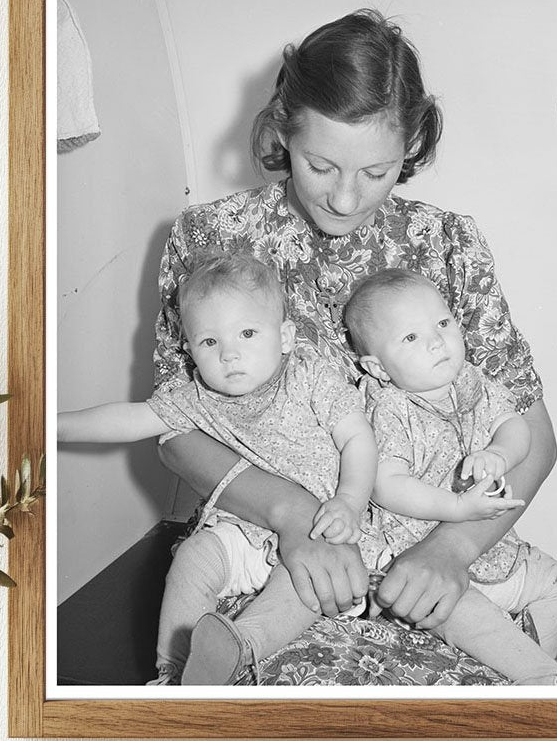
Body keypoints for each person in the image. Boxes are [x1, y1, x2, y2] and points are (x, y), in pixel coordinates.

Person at [154, 8, 557, 661]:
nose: (346, 198)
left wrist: (449, 551)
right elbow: (173, 430)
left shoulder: (449, 244)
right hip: (261, 545)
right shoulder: (209, 239)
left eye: (378, 172)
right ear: (284, 128)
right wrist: (291, 517)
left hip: (422, 555)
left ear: (414, 142)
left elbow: (536, 439)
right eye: (321, 166)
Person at [59, 253, 378, 683]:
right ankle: (173, 670)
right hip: (242, 531)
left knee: (303, 585)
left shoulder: (310, 376)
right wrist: (53, 426)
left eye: (247, 333)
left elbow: (358, 439)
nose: (230, 354)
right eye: (210, 342)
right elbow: (127, 419)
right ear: (190, 350)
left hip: (320, 532)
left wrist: (350, 502)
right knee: (194, 557)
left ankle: (239, 648)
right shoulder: (194, 398)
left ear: (284, 337)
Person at [345, 268, 557, 685]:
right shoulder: (389, 408)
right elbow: (385, 484)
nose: (437, 341)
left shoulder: (472, 382)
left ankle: (536, 660)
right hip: (413, 552)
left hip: (486, 548)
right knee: (459, 606)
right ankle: (540, 679)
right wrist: (456, 507)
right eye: (411, 338)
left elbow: (516, 427)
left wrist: (499, 453)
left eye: (442, 323)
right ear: (378, 367)